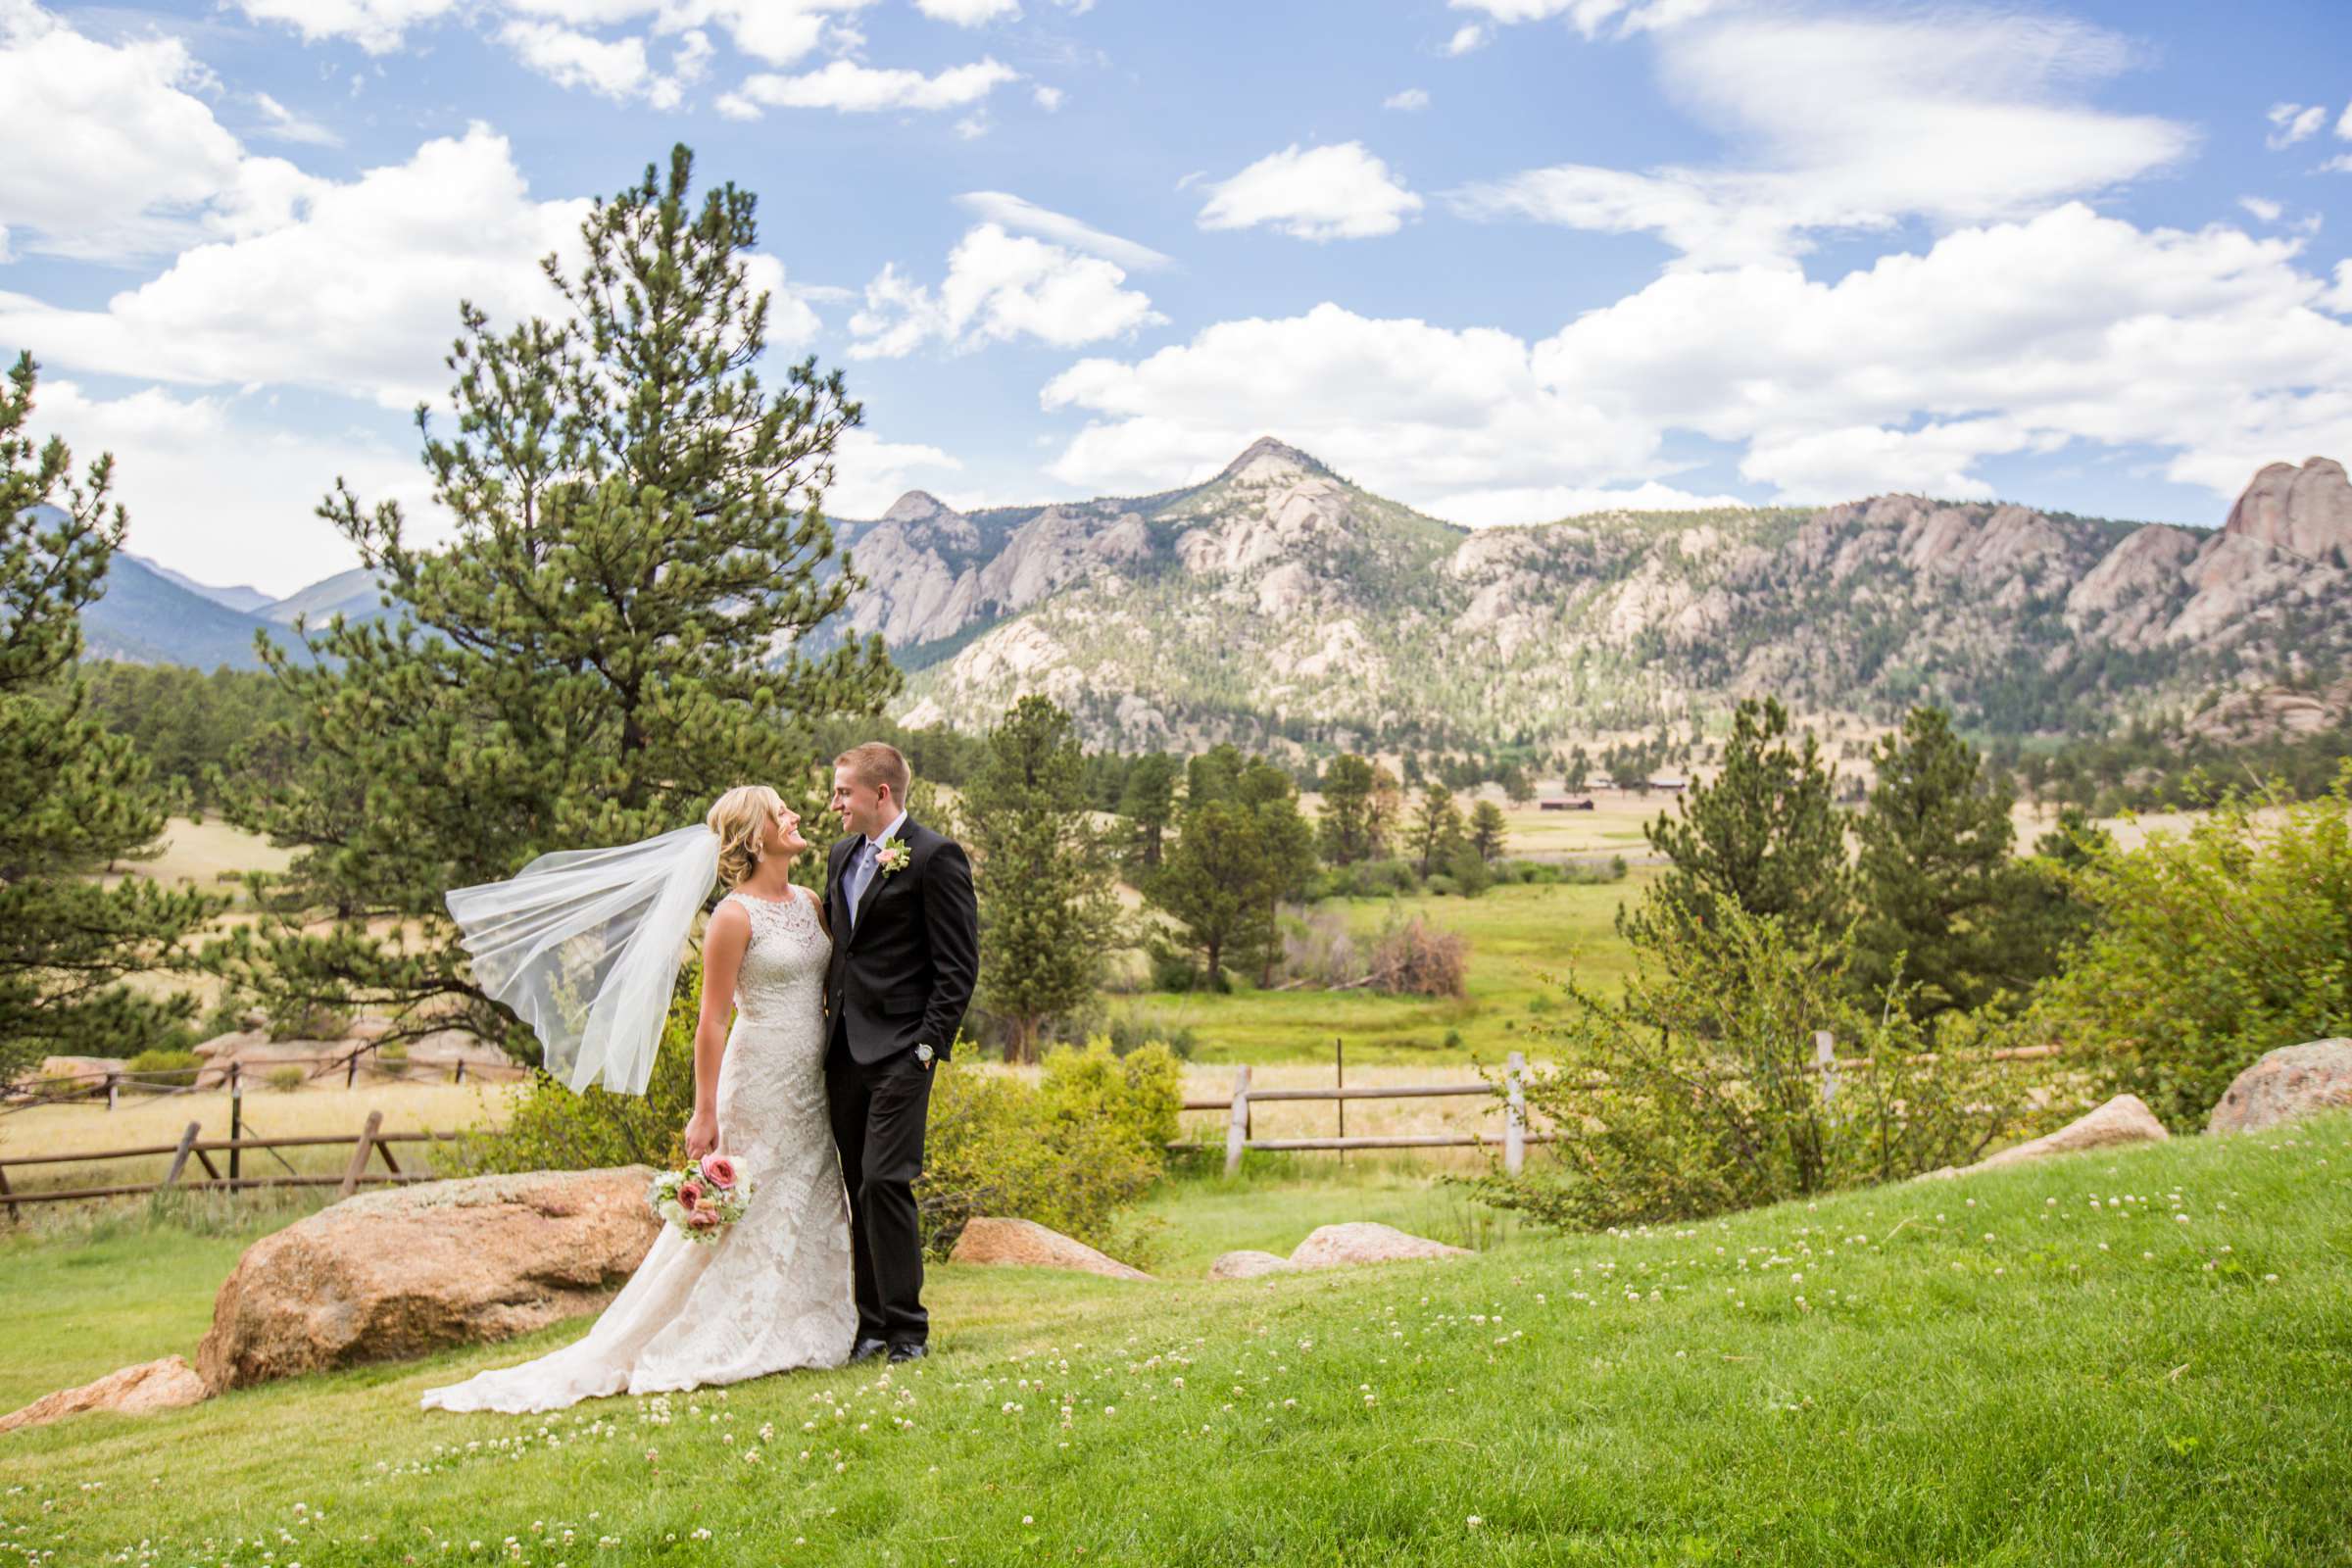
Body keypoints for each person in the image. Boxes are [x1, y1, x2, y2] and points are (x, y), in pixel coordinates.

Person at [419, 785, 855, 1413]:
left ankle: (807, 1317)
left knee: (806, 1188)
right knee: (753, 1201)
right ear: (754, 837)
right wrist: (704, 1110)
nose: (793, 815)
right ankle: (717, 1330)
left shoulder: (811, 901)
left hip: (809, 1074)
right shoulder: (733, 917)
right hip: (758, 1075)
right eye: (778, 811)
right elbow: (712, 1022)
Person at [822, 742, 979, 1366]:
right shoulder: (840, 856)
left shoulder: (936, 857)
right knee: (859, 1186)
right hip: (842, 1053)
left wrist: (927, 1048)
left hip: (901, 1052)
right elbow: (844, 950)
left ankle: (908, 1331)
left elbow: (958, 967)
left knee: (887, 1179)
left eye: (843, 792)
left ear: (879, 793)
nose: (834, 803)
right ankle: (871, 1327)